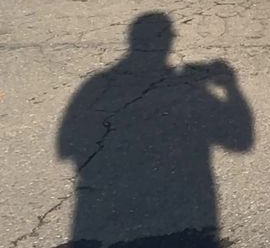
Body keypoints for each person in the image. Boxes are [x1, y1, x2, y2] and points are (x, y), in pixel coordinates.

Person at [57, 13, 253, 247]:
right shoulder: (195, 93)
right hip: (187, 213)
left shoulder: (95, 84)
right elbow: (241, 142)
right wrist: (231, 87)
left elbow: (66, 147)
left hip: (103, 214)